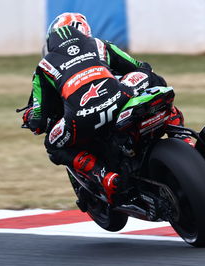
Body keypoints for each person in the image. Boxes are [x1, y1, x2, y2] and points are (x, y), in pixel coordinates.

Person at [21, 13, 190, 207]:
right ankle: (184, 140)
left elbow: (38, 120)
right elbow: (139, 67)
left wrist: (30, 118)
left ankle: (105, 176)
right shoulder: (99, 45)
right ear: (85, 31)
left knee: (53, 145)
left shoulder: (44, 66)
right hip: (120, 99)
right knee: (155, 81)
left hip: (80, 118)